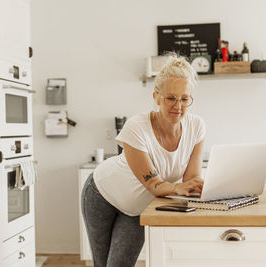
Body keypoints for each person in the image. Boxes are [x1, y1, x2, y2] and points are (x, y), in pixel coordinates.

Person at [81, 54, 205, 267]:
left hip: (138, 208)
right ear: (156, 97)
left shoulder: (196, 127)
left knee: (120, 264)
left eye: (185, 98)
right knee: (102, 264)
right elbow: (153, 184)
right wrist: (179, 188)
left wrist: (203, 188)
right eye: (171, 98)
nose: (178, 105)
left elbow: (192, 179)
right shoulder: (136, 127)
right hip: (102, 193)